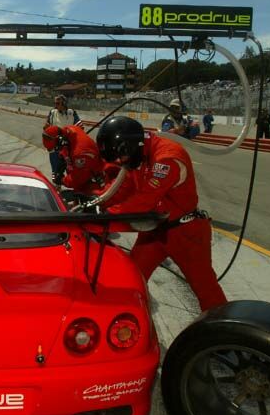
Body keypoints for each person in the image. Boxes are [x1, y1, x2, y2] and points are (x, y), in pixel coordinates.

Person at [95, 116, 227, 311]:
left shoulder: (167, 158)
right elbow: (123, 186)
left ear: (130, 146)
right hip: (154, 230)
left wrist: (103, 217)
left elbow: (143, 200)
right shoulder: (138, 153)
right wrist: (96, 201)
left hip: (185, 233)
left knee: (206, 290)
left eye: (120, 157)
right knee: (132, 278)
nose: (120, 162)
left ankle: (224, 334)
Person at [41, 125, 105, 194]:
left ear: (60, 140)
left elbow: (77, 179)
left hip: (93, 182)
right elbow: (65, 148)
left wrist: (62, 180)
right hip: (83, 172)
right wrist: (61, 163)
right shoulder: (69, 130)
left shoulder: (80, 153)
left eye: (57, 148)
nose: (58, 150)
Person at [45, 95, 81, 176]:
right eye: (55, 103)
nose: (55, 105)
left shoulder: (72, 113)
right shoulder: (52, 112)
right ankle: (57, 185)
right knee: (55, 169)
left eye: (57, 103)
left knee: (71, 169)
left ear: (64, 103)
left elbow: (80, 127)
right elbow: (47, 126)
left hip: (68, 146)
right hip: (55, 146)